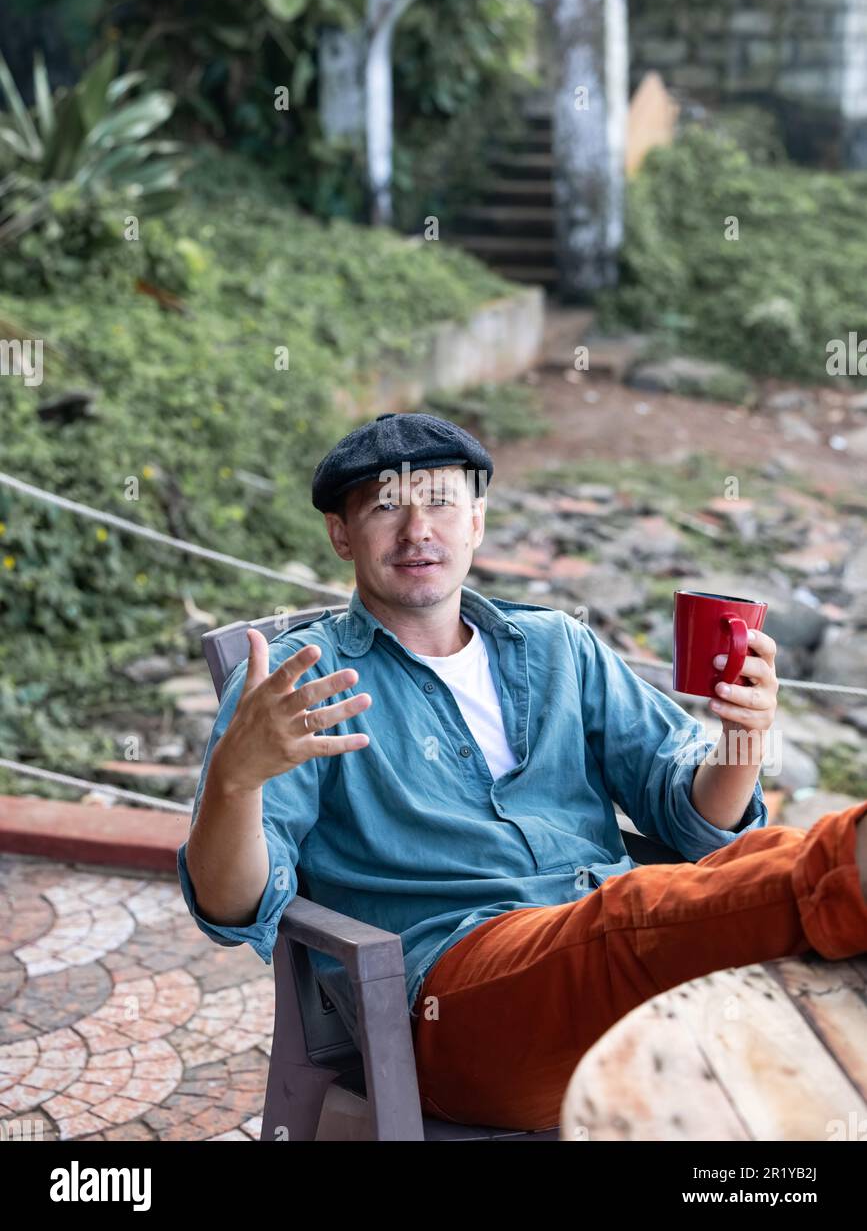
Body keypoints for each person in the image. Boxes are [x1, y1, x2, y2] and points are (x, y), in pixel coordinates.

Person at [177, 411, 867, 1132]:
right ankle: (851, 863)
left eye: (440, 502)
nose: (417, 529)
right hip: (455, 1002)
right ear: (341, 535)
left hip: (609, 950)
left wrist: (741, 738)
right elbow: (231, 909)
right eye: (387, 506)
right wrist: (237, 779)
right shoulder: (298, 686)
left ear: (475, 522)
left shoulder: (558, 646)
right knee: (637, 921)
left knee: (765, 912)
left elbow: (693, 820)